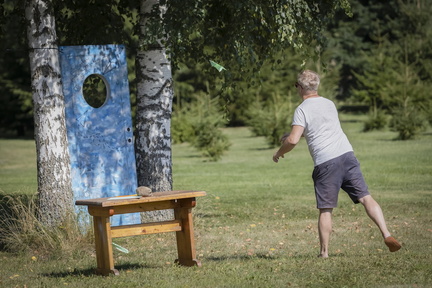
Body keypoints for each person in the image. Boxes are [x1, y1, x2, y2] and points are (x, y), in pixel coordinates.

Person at [272, 70, 401, 258]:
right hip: (347, 155)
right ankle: (387, 234)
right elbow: (321, 128)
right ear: (316, 86)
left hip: (326, 163)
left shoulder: (302, 109)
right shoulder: (329, 103)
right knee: (366, 197)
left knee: (326, 208)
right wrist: (296, 134)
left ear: (300, 87)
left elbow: (292, 141)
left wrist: (278, 152)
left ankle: (324, 253)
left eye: (296, 86)